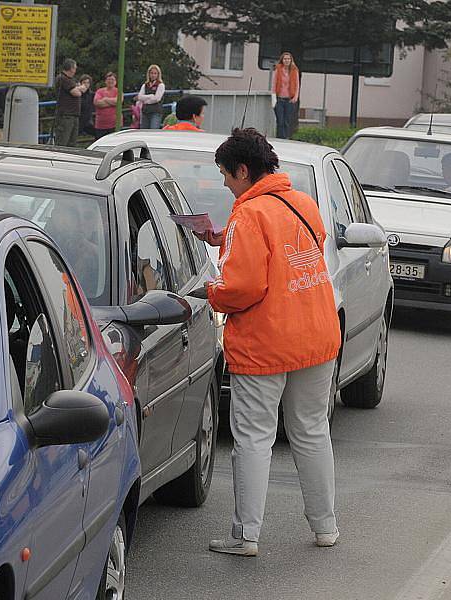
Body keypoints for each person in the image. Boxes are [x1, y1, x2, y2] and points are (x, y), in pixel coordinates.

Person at [193, 128, 341, 556]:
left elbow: (244, 287)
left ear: (243, 170)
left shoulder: (248, 215)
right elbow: (293, 249)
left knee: (255, 438)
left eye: (225, 174)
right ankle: (325, 527)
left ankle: (246, 535)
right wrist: (227, 240)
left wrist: (211, 292)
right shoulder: (302, 203)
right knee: (312, 432)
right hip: (315, 336)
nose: (224, 183)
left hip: (266, 343)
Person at [54, 58, 90, 147]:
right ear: (71, 68)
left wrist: (78, 88)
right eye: (75, 68)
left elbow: (79, 89)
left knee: (72, 142)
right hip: (66, 115)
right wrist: (80, 88)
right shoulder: (63, 78)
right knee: (63, 141)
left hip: (73, 115)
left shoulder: (71, 80)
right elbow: (76, 93)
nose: (75, 70)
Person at [271, 52, 300, 139]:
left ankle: (286, 138)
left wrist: (295, 97)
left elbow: (297, 85)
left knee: (287, 121)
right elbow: (274, 83)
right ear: (282, 60)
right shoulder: (278, 69)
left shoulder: (294, 70)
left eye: (288, 59)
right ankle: (279, 138)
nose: (287, 60)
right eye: (285, 59)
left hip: (289, 100)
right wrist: (273, 97)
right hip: (279, 99)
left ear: (291, 60)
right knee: (280, 121)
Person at [137, 64, 166, 129]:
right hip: (145, 111)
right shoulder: (145, 85)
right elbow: (140, 97)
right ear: (149, 74)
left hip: (155, 111)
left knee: (153, 130)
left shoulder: (160, 85)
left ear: (158, 74)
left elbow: (157, 98)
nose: (153, 75)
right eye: (151, 73)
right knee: (144, 130)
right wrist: (150, 96)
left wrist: (146, 100)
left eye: (155, 73)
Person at [93, 72, 120, 138]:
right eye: (108, 79)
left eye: (112, 79)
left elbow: (118, 102)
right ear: (105, 81)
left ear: (116, 81)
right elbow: (97, 103)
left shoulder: (118, 91)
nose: (110, 81)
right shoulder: (100, 91)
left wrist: (105, 99)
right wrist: (112, 102)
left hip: (114, 124)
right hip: (101, 125)